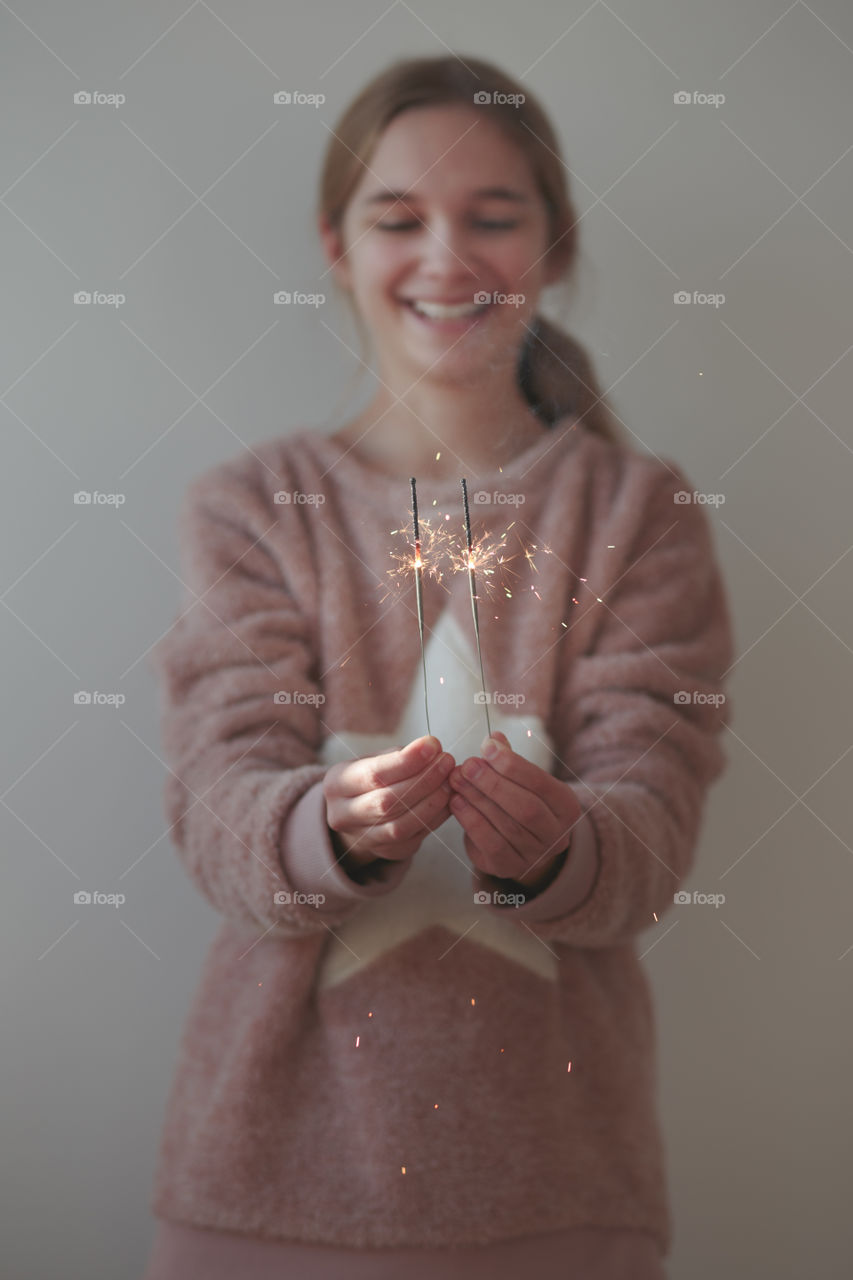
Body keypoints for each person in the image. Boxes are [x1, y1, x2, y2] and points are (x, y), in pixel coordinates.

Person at [142, 53, 734, 1280]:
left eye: (493, 218)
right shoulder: (250, 508)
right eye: (398, 218)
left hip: (557, 1183)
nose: (447, 258)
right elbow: (216, 799)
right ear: (336, 245)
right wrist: (326, 827)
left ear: (555, 244)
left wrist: (564, 844)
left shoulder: (640, 513)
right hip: (268, 1189)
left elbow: (653, 812)